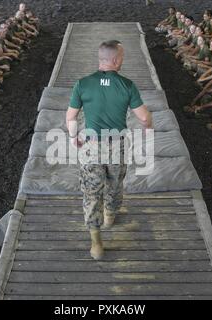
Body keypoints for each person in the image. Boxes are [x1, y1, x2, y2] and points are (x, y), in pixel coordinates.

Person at [66, 40, 152, 260]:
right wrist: (147, 128)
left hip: (91, 146)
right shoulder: (127, 85)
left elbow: (71, 117)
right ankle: (110, 215)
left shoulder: (82, 84)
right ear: (115, 60)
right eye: (122, 57)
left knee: (91, 192)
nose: (122, 60)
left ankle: (96, 242)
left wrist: (74, 137)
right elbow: (143, 117)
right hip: (117, 146)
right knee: (115, 183)